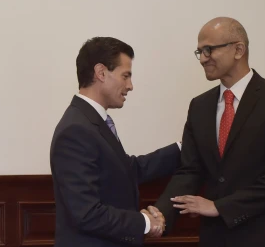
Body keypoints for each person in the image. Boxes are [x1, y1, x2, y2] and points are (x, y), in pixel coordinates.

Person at [152, 17, 265, 246]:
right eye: (200, 52)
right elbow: (190, 171)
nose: (203, 58)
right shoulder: (199, 106)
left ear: (238, 50)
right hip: (214, 238)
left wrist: (219, 207)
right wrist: (161, 215)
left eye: (208, 49)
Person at [50, 36, 181, 246]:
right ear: (101, 72)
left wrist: (183, 148)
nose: (130, 86)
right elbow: (87, 214)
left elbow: (129, 169)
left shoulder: (90, 122)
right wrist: (145, 222)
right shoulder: (76, 130)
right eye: (125, 76)